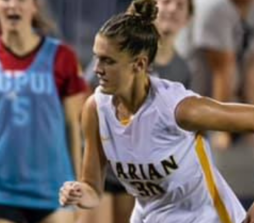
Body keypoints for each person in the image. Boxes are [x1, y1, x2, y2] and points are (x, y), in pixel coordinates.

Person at [59, 1, 254, 222]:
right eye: (97, 57)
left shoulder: (179, 109)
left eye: (108, 61)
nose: (97, 68)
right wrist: (79, 192)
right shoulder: (96, 109)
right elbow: (93, 190)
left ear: (139, 64)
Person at [0, 0, 85, 222]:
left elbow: (74, 127)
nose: (13, 5)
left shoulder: (63, 57)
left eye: (21, 0)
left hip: (55, 190)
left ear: (35, 6)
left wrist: (80, 183)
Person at [77, 0, 193, 222]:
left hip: (140, 174)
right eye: (167, 2)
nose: (172, 10)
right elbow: (84, 105)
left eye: (180, 6)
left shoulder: (181, 69)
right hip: (107, 166)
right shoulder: (116, 56)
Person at [175, 0, 254, 149]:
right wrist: (221, 131)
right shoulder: (212, 6)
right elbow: (222, 69)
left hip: (228, 88)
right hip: (189, 88)